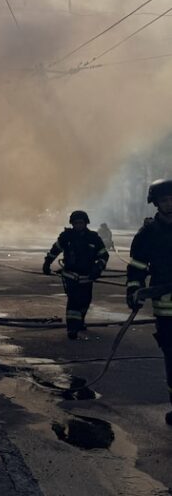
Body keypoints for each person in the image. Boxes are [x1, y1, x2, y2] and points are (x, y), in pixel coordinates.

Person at [126, 179, 172, 426]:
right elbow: (136, 268)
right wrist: (134, 291)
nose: (170, 204)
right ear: (156, 203)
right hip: (166, 310)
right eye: (164, 200)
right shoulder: (148, 234)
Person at [42, 210, 109, 340]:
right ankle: (72, 329)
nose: (78, 225)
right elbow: (55, 249)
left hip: (87, 277)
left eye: (81, 223)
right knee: (73, 302)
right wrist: (47, 262)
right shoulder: (67, 236)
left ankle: (80, 322)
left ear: (86, 223)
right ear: (72, 224)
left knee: (85, 301)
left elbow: (104, 255)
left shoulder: (93, 238)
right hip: (71, 276)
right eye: (76, 223)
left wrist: (98, 267)